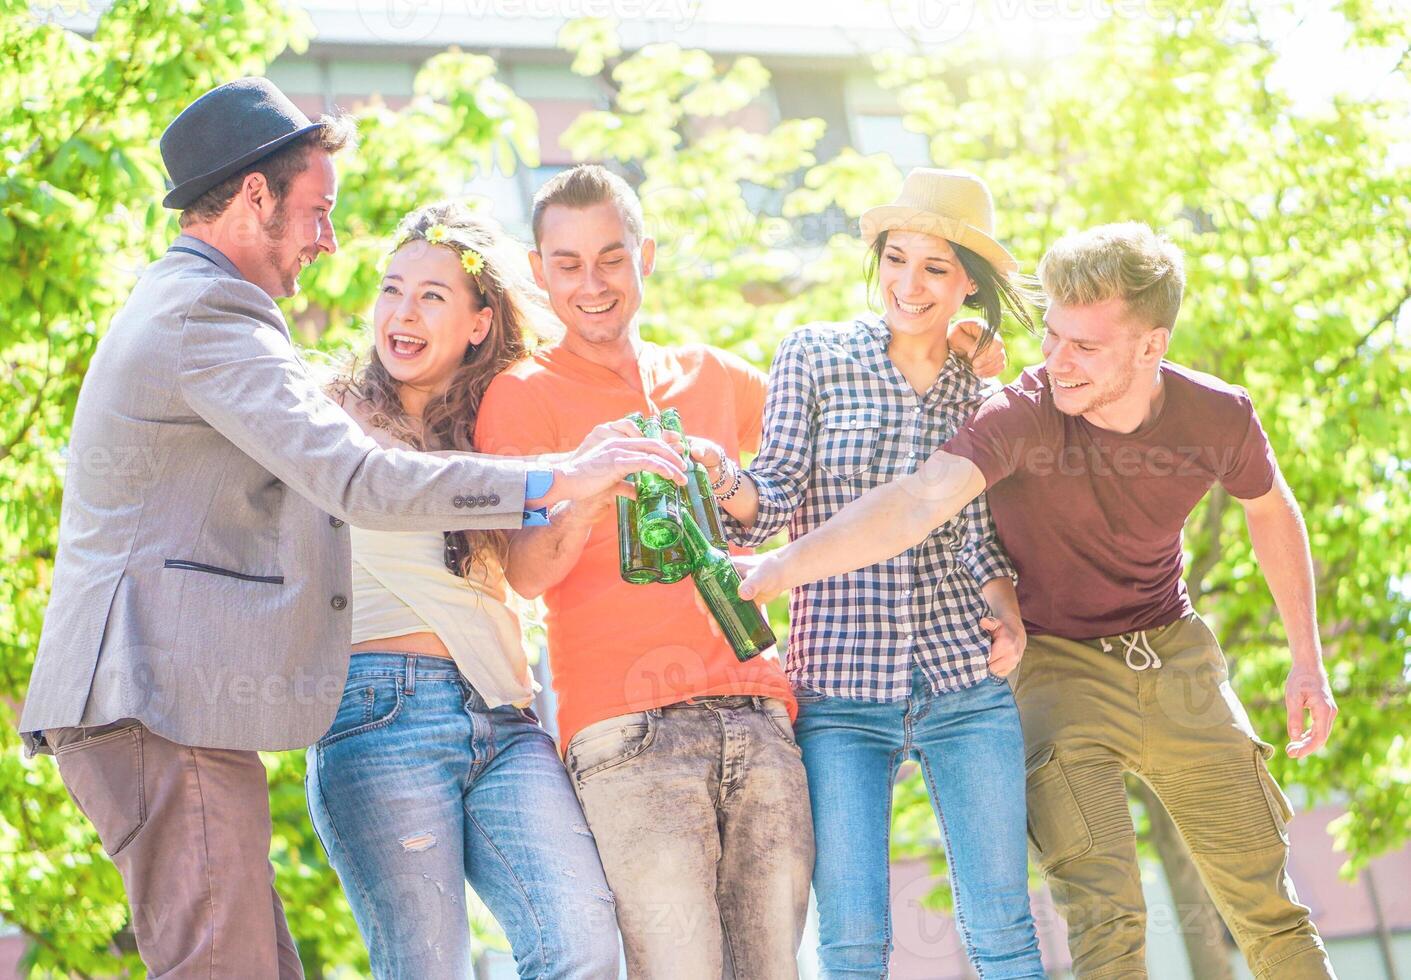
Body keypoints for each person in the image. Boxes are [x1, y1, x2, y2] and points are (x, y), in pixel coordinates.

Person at [18, 79, 683, 978]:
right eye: (318, 211)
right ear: (255, 195)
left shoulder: (192, 305)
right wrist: (558, 475)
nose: (329, 238)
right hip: (150, 693)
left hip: (172, 702)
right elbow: (358, 479)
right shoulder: (211, 315)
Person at [737, 222, 1339, 979]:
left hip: (1173, 648)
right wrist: (777, 567)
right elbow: (919, 501)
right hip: (1055, 665)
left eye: (1083, 347)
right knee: (1104, 916)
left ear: (1150, 347)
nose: (1055, 362)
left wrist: (1306, 664)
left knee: (1268, 908)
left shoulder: (1215, 415)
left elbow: (1269, 507)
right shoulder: (1019, 412)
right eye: (1051, 336)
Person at [474, 164, 1003, 979]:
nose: (592, 283)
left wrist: (946, 344)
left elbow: (850, 397)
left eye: (611, 258)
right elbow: (528, 577)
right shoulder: (520, 396)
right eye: (568, 264)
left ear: (644, 258)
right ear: (540, 272)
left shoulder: (713, 375)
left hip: (761, 716)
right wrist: (585, 486)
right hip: (627, 730)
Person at [689, 168, 1046, 978]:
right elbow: (774, 494)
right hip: (840, 690)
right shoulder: (814, 354)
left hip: (964, 680)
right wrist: (722, 478)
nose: (908, 285)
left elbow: (982, 534)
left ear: (967, 284)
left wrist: (1008, 613)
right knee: (851, 942)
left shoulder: (985, 391)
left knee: (1002, 930)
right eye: (895, 258)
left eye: (934, 267)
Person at [305, 202, 621, 979]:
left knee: (581, 947)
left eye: (432, 296)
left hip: (502, 714)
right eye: (391, 290)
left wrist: (583, 496)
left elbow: (527, 575)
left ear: (480, 323)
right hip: (378, 710)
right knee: (429, 968)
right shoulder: (327, 412)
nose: (401, 312)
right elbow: (385, 487)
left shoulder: (496, 427)